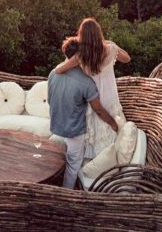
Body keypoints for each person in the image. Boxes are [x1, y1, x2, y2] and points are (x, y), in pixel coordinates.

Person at [54, 18, 131, 157]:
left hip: (92, 100)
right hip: (109, 98)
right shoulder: (111, 49)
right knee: (112, 133)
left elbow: (59, 71)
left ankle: (94, 163)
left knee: (94, 136)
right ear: (99, 33)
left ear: (82, 36)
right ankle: (111, 160)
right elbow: (127, 58)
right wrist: (113, 44)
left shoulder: (80, 57)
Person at [48, 38, 119, 188]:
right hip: (74, 130)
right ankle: (66, 194)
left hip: (56, 124)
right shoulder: (85, 82)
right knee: (74, 165)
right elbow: (98, 110)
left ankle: (52, 183)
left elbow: (50, 100)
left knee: (61, 158)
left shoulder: (54, 73)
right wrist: (113, 123)